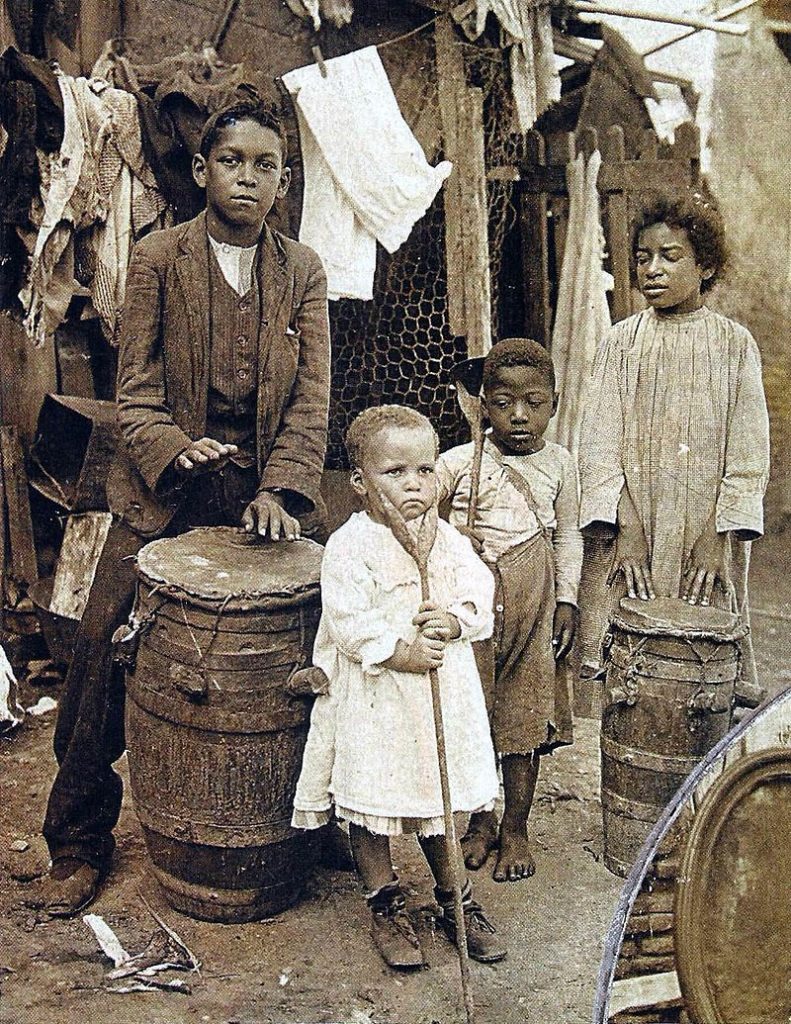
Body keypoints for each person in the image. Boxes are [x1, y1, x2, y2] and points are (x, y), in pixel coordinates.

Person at [36, 99, 331, 916]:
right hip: (161, 498)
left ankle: (322, 820)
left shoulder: (302, 270)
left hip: (259, 500)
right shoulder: (158, 256)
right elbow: (131, 400)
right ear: (203, 171)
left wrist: (280, 488)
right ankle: (78, 842)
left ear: (280, 180)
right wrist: (175, 449)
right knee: (99, 660)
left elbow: (311, 402)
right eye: (231, 160)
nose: (248, 176)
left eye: (264, 165)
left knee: (320, 651)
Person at [291, 405, 507, 969]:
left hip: (438, 697)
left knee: (434, 798)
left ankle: (454, 899)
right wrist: (398, 650)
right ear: (360, 483)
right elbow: (346, 620)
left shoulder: (449, 542)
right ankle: (385, 899)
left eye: (425, 470)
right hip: (377, 699)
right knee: (373, 802)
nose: (414, 483)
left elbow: (478, 591)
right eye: (395, 472)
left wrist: (457, 620)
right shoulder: (350, 544)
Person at [577, 190, 770, 673]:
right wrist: (630, 529)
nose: (652, 270)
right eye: (643, 258)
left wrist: (714, 536)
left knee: (703, 660)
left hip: (708, 532)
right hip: (635, 527)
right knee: (632, 662)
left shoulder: (734, 345)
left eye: (670, 256)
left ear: (705, 267)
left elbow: (747, 454)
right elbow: (599, 448)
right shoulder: (620, 343)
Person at [436, 338, 583, 883]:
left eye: (533, 402)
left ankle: (516, 829)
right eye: (502, 403)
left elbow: (569, 536)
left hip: (534, 604)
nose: (519, 416)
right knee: (475, 713)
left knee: (523, 715)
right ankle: (481, 820)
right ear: (482, 404)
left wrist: (567, 600)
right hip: (474, 608)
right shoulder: (458, 462)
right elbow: (414, 515)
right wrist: (453, 532)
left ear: (555, 403)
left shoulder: (562, 465)